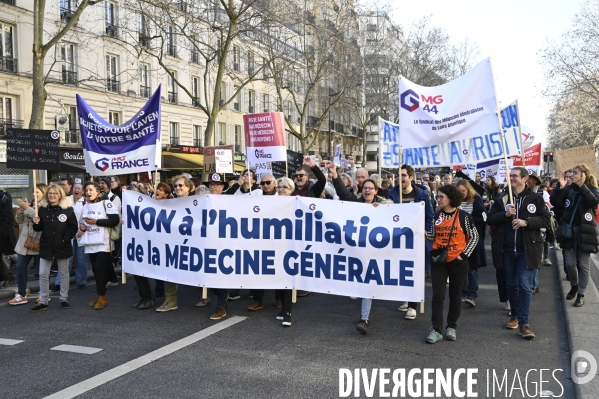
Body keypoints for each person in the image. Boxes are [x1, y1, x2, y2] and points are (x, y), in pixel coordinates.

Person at [487, 167, 550, 339]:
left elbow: (546, 220)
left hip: (527, 250)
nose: (512, 178)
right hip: (507, 249)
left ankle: (524, 324)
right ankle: (514, 316)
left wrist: (526, 222)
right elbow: (490, 219)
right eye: (510, 176)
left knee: (524, 285)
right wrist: (505, 214)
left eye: (515, 176)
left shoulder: (535, 198)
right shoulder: (502, 198)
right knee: (511, 285)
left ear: (525, 178)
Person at [425, 185, 479, 343]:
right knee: (437, 296)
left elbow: (474, 237)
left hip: (458, 262)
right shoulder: (436, 216)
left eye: (441, 197)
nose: (438, 200)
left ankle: (451, 327)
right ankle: (436, 329)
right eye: (438, 197)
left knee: (455, 296)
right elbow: (433, 236)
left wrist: (464, 255)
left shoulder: (464, 216)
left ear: (451, 198)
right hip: (439, 261)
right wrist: (422, 234)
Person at [388, 164, 434, 319]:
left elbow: (429, 215)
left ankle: (413, 306)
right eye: (399, 175)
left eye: (404, 175)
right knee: (401, 270)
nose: (400, 178)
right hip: (399, 238)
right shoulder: (393, 193)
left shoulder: (421, 194)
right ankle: (407, 300)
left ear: (411, 177)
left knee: (415, 271)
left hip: (416, 239)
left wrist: (426, 230)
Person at [552, 165, 599, 308]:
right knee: (570, 264)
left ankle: (581, 294)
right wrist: (560, 187)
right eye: (572, 172)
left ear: (584, 175)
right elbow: (556, 203)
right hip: (569, 232)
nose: (572, 175)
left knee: (583, 265)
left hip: (585, 232)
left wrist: (582, 186)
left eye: (575, 172)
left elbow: (593, 202)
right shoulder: (569, 189)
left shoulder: (592, 189)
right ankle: (574, 285)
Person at [30, 184, 77, 312]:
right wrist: (36, 222)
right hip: (46, 246)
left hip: (62, 246)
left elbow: (73, 227)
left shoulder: (67, 209)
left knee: (64, 274)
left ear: (60, 195)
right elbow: (38, 229)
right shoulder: (42, 209)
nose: (52, 195)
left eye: (55, 193)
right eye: (50, 193)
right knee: (43, 275)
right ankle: (43, 301)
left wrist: (65, 239)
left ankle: (63, 298)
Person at [77, 181, 120, 310]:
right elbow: (82, 223)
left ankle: (102, 296)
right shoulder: (85, 206)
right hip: (90, 241)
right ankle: (101, 294)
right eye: (86, 190)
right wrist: (82, 228)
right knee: (96, 270)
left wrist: (97, 221)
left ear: (98, 192)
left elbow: (115, 220)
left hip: (103, 242)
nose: (88, 192)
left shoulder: (106, 204)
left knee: (99, 267)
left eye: (91, 190)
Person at [156, 176, 194, 313]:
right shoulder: (169, 204)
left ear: (189, 188)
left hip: (193, 242)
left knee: (197, 269)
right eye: (176, 186)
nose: (178, 188)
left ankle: (205, 294)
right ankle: (170, 300)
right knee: (170, 269)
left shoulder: (197, 202)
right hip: (173, 243)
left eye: (181, 186)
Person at [8, 184, 47, 305]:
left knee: (42, 271)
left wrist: (27, 208)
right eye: (33, 192)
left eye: (37, 192)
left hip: (39, 240)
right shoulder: (30, 203)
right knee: (20, 268)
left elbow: (39, 218)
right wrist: (21, 210)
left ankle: (44, 294)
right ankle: (21, 294)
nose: (35, 194)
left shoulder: (47, 205)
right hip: (25, 241)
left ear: (44, 192)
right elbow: (19, 221)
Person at [455, 180, 487, 307]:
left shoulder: (476, 200)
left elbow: (484, 218)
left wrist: (469, 219)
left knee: (472, 268)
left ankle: (472, 295)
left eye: (463, 191)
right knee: (460, 266)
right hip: (458, 239)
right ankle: (462, 292)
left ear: (468, 190)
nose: (461, 193)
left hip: (472, 238)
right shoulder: (454, 201)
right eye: (459, 191)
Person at [70, 182, 89, 289]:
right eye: (75, 187)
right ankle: (60, 282)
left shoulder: (86, 202)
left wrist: (83, 229)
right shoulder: (67, 200)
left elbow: (88, 217)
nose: (76, 190)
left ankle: (81, 281)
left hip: (82, 234)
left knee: (81, 259)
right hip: (69, 234)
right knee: (67, 258)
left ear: (82, 191)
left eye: (79, 188)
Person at [0, 187, 17, 288]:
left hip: (2, 234)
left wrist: (2, 233)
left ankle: (7, 277)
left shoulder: (4, 198)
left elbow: (8, 219)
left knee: (10, 256)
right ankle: (7, 277)